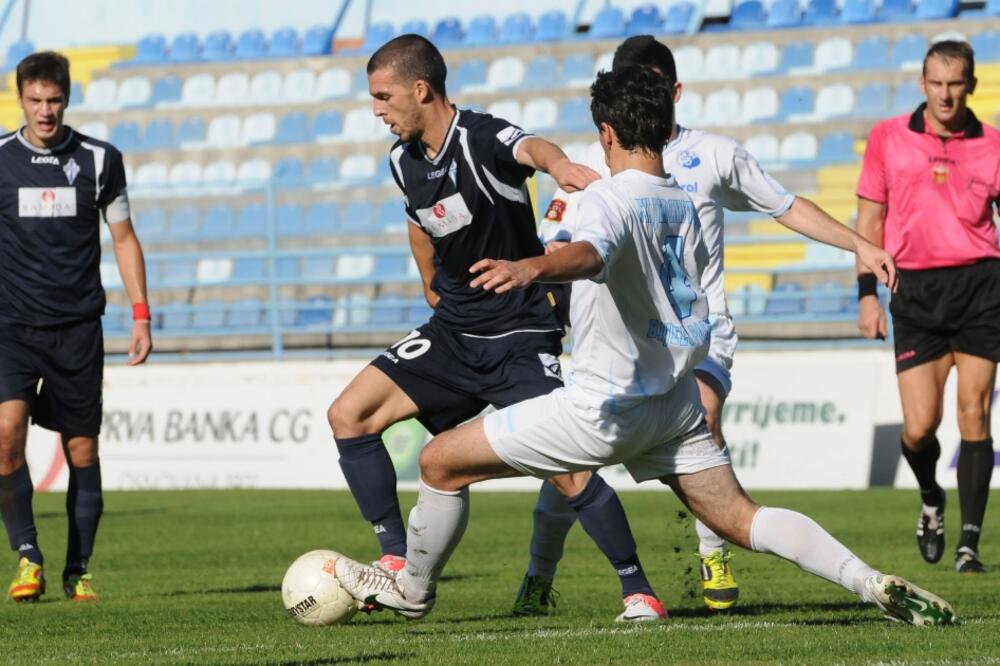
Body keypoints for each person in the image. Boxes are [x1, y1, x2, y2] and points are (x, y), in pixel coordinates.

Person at [332, 65, 955, 627]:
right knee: (742, 518)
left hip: (603, 407)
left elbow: (590, 254)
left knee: (439, 461)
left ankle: (412, 589)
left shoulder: (606, 197)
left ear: (606, 133)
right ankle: (867, 581)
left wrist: (531, 268)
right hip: (675, 404)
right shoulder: (682, 201)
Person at [515, 35, 899, 615]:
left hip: (697, 333)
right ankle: (539, 573)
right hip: (618, 349)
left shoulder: (713, 154)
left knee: (705, 418)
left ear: (673, 91)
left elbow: (784, 204)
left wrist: (858, 244)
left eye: (650, 84)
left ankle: (713, 551)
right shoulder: (591, 162)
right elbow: (559, 244)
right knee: (569, 467)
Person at [327, 35, 671, 621]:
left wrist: (560, 166)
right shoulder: (402, 160)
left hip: (518, 336)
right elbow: (418, 219)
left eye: (383, 97)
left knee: (568, 472)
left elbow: (531, 147)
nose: (377, 110)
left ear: (421, 89)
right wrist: (429, 282)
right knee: (349, 415)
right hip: (453, 333)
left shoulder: (480, 137)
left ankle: (638, 590)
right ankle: (395, 560)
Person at [0, 52, 152, 602]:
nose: (45, 111)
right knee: (5, 436)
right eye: (35, 100)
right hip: (12, 326)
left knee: (82, 450)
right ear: (20, 98)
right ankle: (28, 557)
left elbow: (124, 238)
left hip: (78, 329)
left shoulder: (99, 160)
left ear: (67, 99)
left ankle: (77, 569)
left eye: (54, 100)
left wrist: (141, 313)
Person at [856, 40, 999, 574]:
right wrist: (867, 295)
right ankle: (931, 498)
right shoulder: (887, 137)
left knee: (974, 413)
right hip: (913, 290)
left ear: (971, 86)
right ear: (922, 84)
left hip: (981, 287)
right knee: (919, 428)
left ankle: (969, 544)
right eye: (936, 83)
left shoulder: (994, 145)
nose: (945, 94)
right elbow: (869, 223)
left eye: (955, 83)